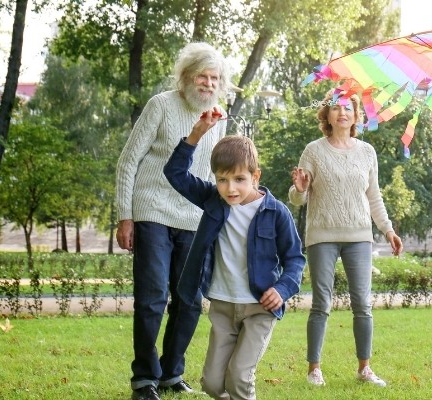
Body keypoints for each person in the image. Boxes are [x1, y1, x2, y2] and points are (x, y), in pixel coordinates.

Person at [115, 42, 233, 400]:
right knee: (151, 298)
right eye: (202, 76)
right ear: (186, 77)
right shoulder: (161, 105)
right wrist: (125, 215)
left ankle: (171, 373)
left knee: (190, 301)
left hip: (195, 220)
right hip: (152, 211)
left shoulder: (218, 117)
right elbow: (128, 161)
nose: (208, 84)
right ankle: (144, 379)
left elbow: (219, 175)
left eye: (215, 78)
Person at [164, 114, 306, 400]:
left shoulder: (276, 212)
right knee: (214, 385)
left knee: (240, 377)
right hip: (223, 305)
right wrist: (196, 135)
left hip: (259, 307)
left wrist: (282, 289)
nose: (230, 188)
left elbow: (295, 259)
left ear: (256, 176)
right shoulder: (212, 199)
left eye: (240, 179)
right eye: (222, 180)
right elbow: (175, 173)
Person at [289, 90, 403, 388]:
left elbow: (374, 197)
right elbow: (298, 198)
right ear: (326, 115)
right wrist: (300, 188)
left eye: (348, 108)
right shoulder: (313, 151)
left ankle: (364, 368)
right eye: (336, 108)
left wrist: (388, 230)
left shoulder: (367, 152)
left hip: (359, 237)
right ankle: (314, 369)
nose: (342, 113)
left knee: (362, 304)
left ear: (355, 116)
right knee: (321, 303)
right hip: (322, 235)